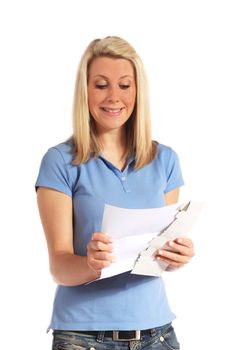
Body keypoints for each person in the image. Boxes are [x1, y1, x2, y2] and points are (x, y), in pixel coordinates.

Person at [35, 36, 194, 350]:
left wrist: (174, 257)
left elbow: (155, 252)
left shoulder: (165, 160)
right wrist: (92, 264)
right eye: (101, 84)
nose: (113, 97)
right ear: (85, 90)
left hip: (158, 335)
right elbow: (59, 266)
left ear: (137, 91)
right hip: (84, 339)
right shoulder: (60, 161)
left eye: (124, 85)